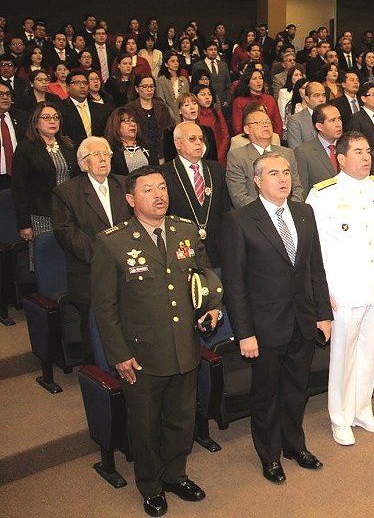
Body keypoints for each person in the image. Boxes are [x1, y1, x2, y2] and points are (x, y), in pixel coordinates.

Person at [92, 165, 222, 517]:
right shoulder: (112, 242)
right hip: (142, 353)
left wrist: (213, 308)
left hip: (184, 346)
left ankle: (176, 474)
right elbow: (105, 307)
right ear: (131, 199)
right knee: (146, 425)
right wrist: (119, 355)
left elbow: (205, 277)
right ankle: (150, 485)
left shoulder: (185, 230)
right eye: (148, 189)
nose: (159, 194)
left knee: (182, 419)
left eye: (162, 187)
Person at [221, 152, 332, 484]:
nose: (283, 179)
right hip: (264, 328)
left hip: (303, 320)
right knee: (266, 395)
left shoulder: (304, 212)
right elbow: (235, 284)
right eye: (273, 173)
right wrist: (244, 333)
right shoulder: (239, 220)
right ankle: (269, 456)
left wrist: (323, 315)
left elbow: (314, 267)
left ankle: (294, 445)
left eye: (286, 172)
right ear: (257, 181)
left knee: (297, 389)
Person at [305, 131, 374, 446]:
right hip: (343, 290)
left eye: (368, 152)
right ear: (341, 158)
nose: (366, 157)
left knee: (369, 352)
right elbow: (313, 249)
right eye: (359, 152)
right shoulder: (323, 194)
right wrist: (324, 292)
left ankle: (363, 410)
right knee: (343, 356)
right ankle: (340, 417)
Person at [51, 136, 131, 363]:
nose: (103, 158)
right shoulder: (66, 192)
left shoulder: (125, 184)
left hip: (130, 267)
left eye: (106, 153)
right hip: (90, 271)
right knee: (97, 334)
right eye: (96, 155)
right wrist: (106, 258)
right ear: (83, 162)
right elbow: (68, 234)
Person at [12, 102, 78, 262]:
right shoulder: (25, 148)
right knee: (48, 261)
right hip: (42, 214)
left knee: (70, 259)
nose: (52, 121)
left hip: (68, 213)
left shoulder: (68, 145)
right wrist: (24, 224)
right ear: (35, 122)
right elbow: (19, 189)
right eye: (46, 117)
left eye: (56, 117)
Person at [161, 121, 230, 268]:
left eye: (201, 139)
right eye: (192, 139)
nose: (199, 143)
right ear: (177, 143)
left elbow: (225, 210)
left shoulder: (216, 169)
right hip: (183, 251)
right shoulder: (164, 173)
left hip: (217, 251)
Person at [226, 103, 303, 207]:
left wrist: (289, 209)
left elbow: (297, 189)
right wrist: (269, 214)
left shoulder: (287, 153)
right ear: (246, 129)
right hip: (256, 217)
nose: (265, 125)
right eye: (258, 123)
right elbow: (239, 196)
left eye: (268, 122)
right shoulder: (237, 156)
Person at [293, 102, 342, 193]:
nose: (338, 124)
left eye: (339, 119)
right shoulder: (304, 152)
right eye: (332, 120)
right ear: (319, 126)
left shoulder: (347, 146)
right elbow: (302, 189)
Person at [124, 75, 173, 162]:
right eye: (145, 86)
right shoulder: (129, 109)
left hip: (162, 152)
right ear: (137, 88)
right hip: (141, 153)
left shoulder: (161, 106)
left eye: (151, 86)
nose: (149, 89)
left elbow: (169, 129)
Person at [163, 92, 217, 163]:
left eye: (194, 103)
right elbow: (170, 160)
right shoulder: (170, 132)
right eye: (187, 105)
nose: (192, 107)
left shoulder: (208, 130)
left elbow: (214, 159)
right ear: (179, 110)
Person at [106, 106, 158, 175]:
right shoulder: (110, 151)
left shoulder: (147, 146)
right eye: (127, 121)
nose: (133, 124)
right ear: (116, 124)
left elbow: (157, 170)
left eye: (134, 121)